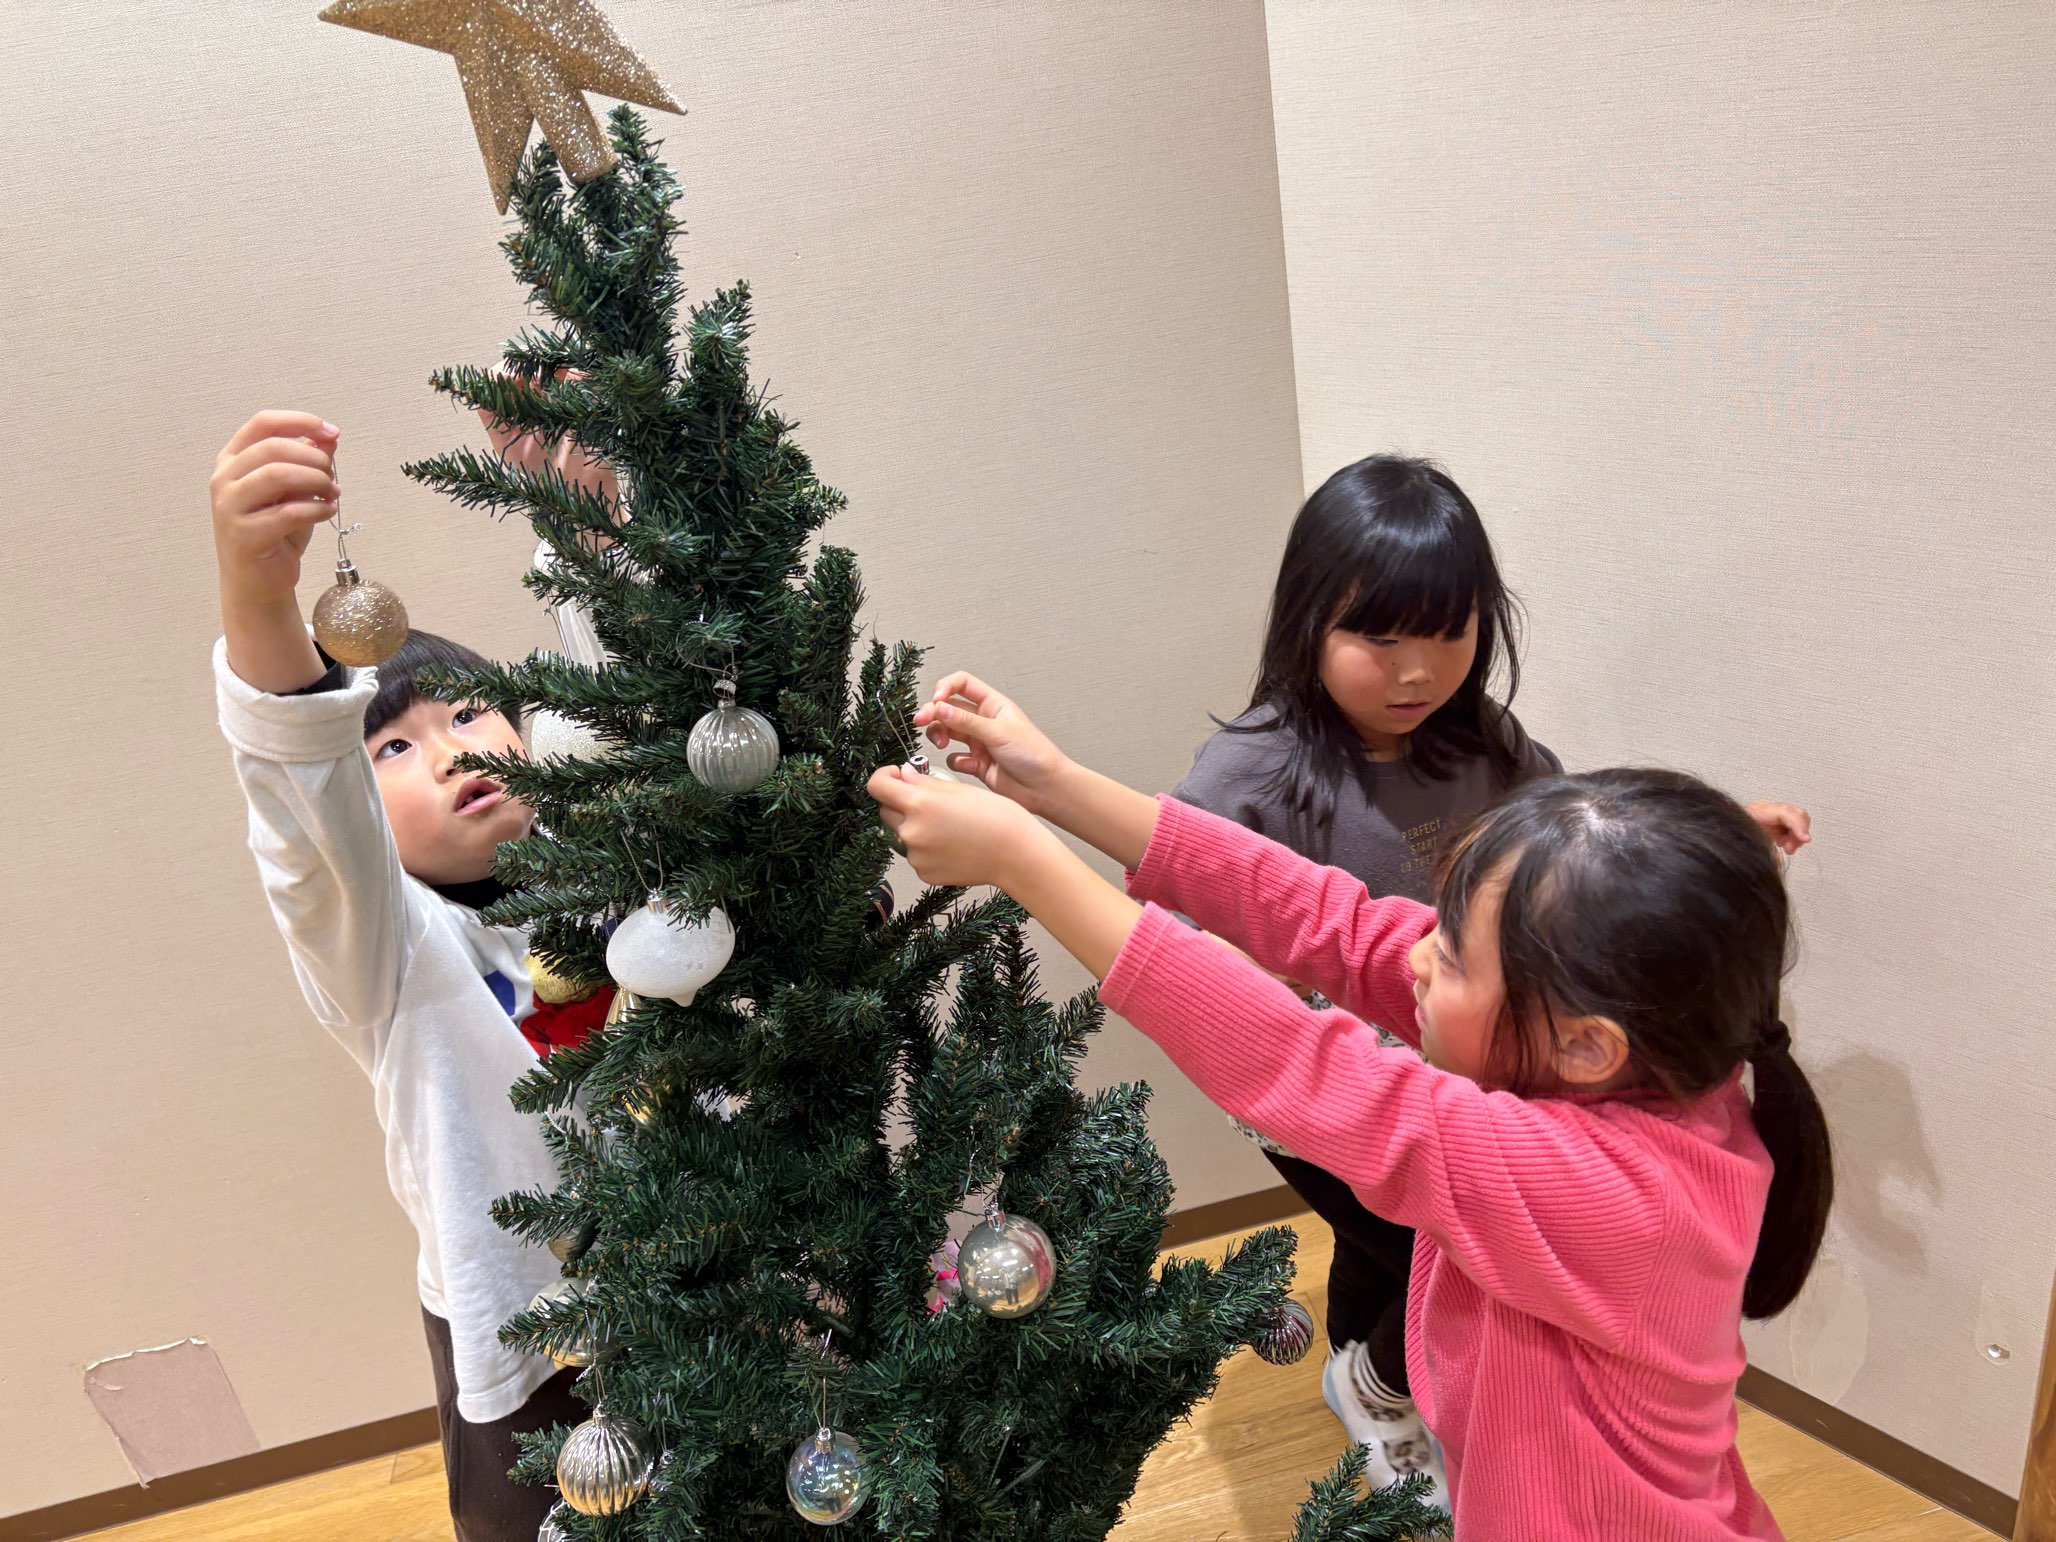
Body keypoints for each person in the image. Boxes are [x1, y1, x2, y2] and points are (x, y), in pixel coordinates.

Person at [868, 677, 1832, 1538]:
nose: (1417, 956)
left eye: (1451, 954)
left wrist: (1027, 864)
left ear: (1587, 1044)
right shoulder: (1638, 1061)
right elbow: (1339, 922)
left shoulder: (1609, 1189)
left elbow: (1304, 1061)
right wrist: (1057, 787)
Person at [1169, 453, 1810, 1496]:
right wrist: (1272, 986)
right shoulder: (1252, 769)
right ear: (1306, 624)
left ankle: (1367, 1381)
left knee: (1396, 1245)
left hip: (1465, 1066)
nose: (1417, 674)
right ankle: (1377, 1389)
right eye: (1380, 639)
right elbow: (1183, 910)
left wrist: (1715, 832)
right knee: (1415, 1239)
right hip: (1324, 1080)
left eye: (1449, 634)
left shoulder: (1481, 741)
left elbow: (1581, 854)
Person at [209, 407, 612, 1539]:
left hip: (703, 1275)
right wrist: (259, 602)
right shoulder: (385, 946)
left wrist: (581, 522)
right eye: (393, 746)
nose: (450, 752)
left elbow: (635, 712)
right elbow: (308, 824)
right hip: (530, 1340)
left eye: (472, 712)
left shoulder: (609, 867)